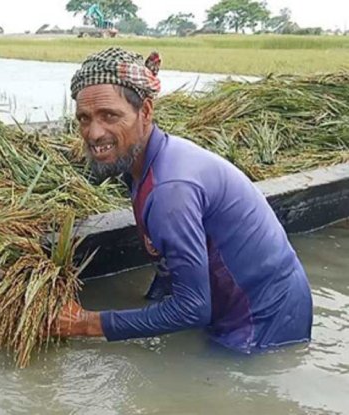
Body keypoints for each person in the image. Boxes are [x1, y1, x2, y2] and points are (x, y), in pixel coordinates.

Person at [53, 47, 313, 353]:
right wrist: (149, 304)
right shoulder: (143, 162)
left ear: (146, 112)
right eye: (84, 118)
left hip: (262, 324)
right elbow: (170, 265)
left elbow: (192, 309)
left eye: (110, 115)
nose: (94, 132)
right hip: (249, 301)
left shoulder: (170, 189)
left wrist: (86, 323)